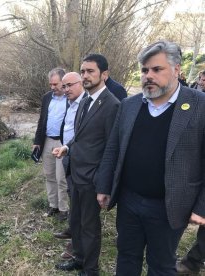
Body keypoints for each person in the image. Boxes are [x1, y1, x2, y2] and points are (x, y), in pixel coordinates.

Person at [96, 40, 205, 275]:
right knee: (126, 256)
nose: (148, 76)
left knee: (161, 265)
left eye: (157, 69)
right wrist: (104, 185)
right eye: (144, 70)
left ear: (176, 70)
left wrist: (202, 206)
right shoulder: (129, 105)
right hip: (129, 201)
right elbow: (113, 149)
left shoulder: (199, 105)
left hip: (170, 206)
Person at [52, 54, 120, 276]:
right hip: (76, 172)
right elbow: (80, 135)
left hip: (92, 179)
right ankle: (79, 258)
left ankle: (90, 269)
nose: (86, 75)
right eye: (83, 71)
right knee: (76, 222)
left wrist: (103, 185)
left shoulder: (112, 105)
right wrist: (67, 147)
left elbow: (112, 148)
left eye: (90, 71)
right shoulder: (84, 100)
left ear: (104, 74)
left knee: (90, 227)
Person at [53, 72, 87, 249]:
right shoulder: (70, 102)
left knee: (81, 202)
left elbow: (82, 135)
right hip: (68, 154)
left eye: (69, 85)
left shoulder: (86, 103)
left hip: (81, 160)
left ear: (81, 83)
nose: (66, 89)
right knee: (72, 195)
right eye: (64, 86)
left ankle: (78, 243)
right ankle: (73, 230)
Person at [33, 68, 69, 221]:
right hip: (47, 140)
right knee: (49, 175)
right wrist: (37, 142)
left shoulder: (71, 98)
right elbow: (42, 120)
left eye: (55, 84)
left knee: (61, 178)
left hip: (63, 141)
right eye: (51, 84)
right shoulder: (47, 97)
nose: (53, 87)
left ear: (63, 82)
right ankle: (52, 205)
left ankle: (63, 209)